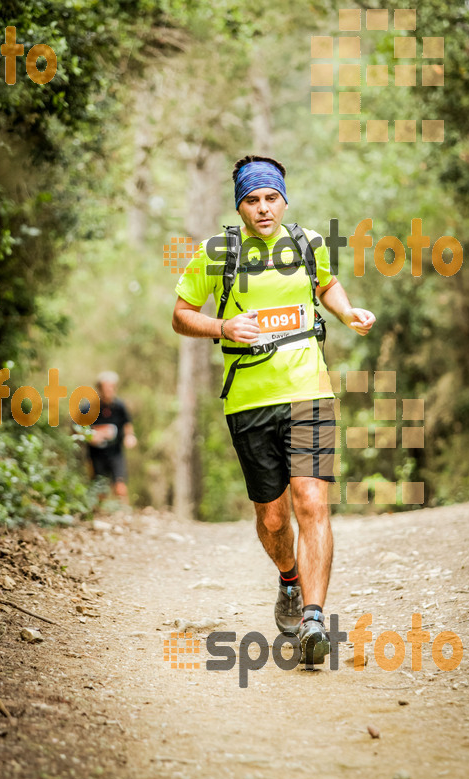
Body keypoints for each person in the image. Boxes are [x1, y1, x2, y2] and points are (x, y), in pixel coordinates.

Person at [172, 155, 375, 665]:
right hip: (248, 400)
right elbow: (180, 315)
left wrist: (347, 311)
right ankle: (288, 578)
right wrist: (223, 328)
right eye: (252, 199)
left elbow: (325, 283)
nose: (263, 208)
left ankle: (312, 619)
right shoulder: (218, 252)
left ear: (284, 198)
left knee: (312, 503)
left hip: (309, 390)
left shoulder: (307, 243)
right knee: (273, 519)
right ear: (239, 204)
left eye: (271, 198)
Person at [85, 371, 137, 503]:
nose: (110, 390)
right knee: (100, 489)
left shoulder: (119, 406)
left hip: (116, 453)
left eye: (112, 387)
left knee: (120, 486)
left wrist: (129, 436)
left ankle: (124, 513)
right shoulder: (89, 407)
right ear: (99, 388)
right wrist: (90, 437)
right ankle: (100, 515)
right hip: (96, 455)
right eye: (106, 387)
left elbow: (127, 424)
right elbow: (76, 429)